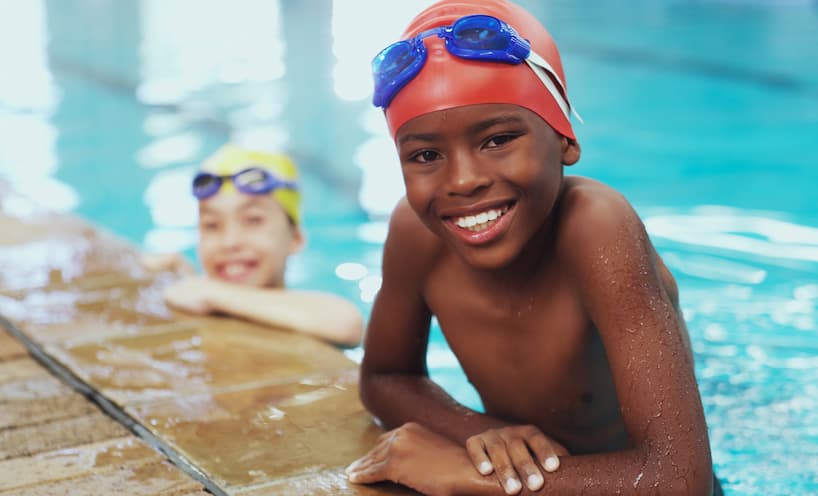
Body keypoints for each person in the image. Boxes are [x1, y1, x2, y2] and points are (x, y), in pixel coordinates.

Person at [346, 0, 722, 494]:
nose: (463, 181)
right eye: (426, 155)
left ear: (564, 138)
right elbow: (385, 378)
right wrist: (482, 434)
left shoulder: (595, 228)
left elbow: (680, 479)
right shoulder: (417, 234)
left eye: (498, 139)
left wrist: (461, 474)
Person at [142, 144, 363, 348]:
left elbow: (347, 324)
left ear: (295, 238)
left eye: (253, 220)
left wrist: (212, 293)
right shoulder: (201, 292)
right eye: (211, 225)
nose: (230, 242)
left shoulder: (316, 315)